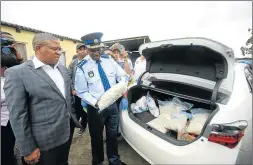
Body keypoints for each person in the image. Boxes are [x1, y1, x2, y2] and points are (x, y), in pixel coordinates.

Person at [4, 33, 81, 165]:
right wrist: (28, 149)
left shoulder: (62, 69)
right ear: (38, 48)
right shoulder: (17, 73)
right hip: (42, 143)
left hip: (66, 134)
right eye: (55, 48)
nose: (59, 52)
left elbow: (67, 99)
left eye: (60, 48)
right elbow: (17, 115)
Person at [75, 32, 128, 165]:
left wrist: (122, 85)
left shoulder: (108, 60)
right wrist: (95, 102)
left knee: (112, 135)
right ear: (87, 49)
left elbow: (122, 75)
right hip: (96, 108)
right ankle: (98, 161)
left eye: (99, 49)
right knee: (96, 137)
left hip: (112, 105)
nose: (97, 52)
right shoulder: (82, 67)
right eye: (93, 50)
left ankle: (114, 160)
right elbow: (81, 91)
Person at [1, 31, 24, 165]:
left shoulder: (14, 68)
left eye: (9, 46)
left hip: (18, 118)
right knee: (5, 154)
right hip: (3, 123)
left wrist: (19, 58)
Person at [68, 43, 88, 135]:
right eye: (81, 49)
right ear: (77, 51)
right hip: (77, 92)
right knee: (77, 109)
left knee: (86, 110)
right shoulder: (73, 63)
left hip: (88, 92)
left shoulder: (89, 61)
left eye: (84, 49)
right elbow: (68, 76)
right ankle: (78, 124)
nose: (83, 51)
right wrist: (72, 89)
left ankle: (84, 125)